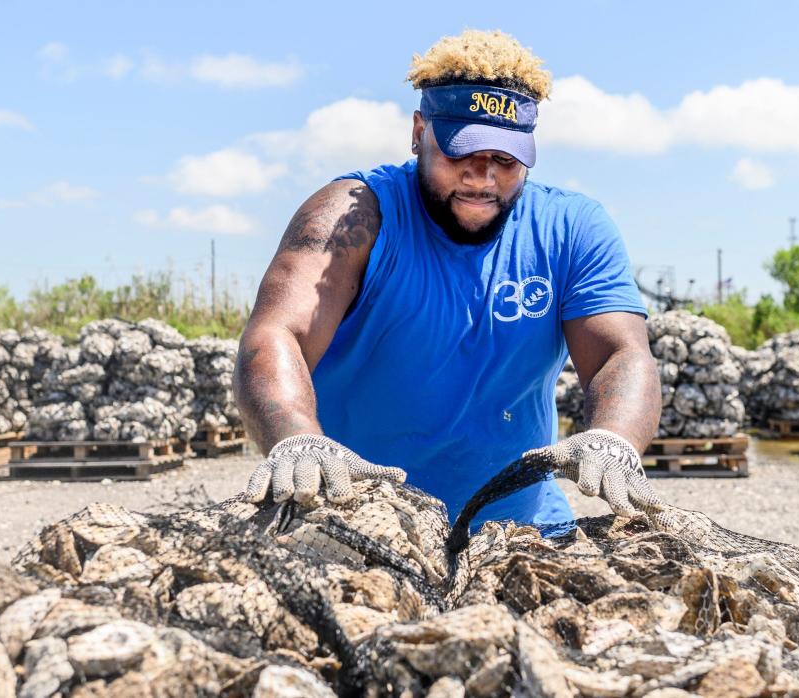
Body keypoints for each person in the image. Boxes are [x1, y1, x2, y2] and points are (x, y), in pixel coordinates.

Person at [234, 29, 660, 528]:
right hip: (357, 520)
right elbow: (277, 333)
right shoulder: (354, 217)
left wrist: (614, 438)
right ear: (419, 132)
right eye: (461, 152)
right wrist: (295, 436)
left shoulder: (571, 228)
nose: (482, 179)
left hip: (521, 528)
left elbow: (621, 353)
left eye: (504, 160)